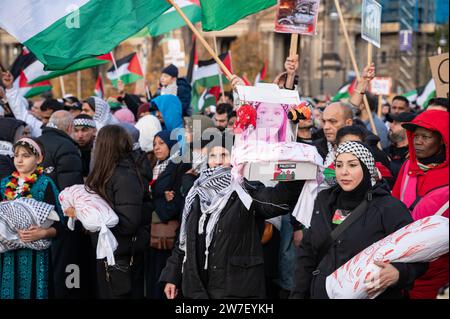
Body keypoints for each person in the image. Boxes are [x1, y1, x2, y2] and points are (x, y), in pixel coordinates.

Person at [160, 136, 304, 299]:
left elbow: (279, 200)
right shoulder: (195, 193)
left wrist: (293, 170)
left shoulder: (246, 190)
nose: (218, 161)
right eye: (213, 156)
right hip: (198, 288)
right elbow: (184, 241)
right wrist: (172, 276)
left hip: (236, 288)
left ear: (235, 159)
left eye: (224, 155)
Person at [291, 141, 428, 299]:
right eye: (339, 165)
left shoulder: (388, 207)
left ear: (366, 168)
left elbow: (419, 254)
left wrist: (399, 272)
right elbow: (307, 254)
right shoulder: (324, 201)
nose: (344, 172)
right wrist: (297, 295)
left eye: (352, 165)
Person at [85, 125, 148, 299]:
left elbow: (129, 222)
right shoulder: (105, 173)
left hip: (121, 252)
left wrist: (100, 223)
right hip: (108, 249)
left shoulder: (124, 175)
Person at [392, 110, 449, 299]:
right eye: (416, 136)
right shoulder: (408, 167)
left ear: (442, 139)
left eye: (426, 136)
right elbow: (393, 204)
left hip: (437, 274)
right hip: (400, 267)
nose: (418, 141)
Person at [0, 137, 64, 299]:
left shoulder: (44, 184)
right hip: (6, 254)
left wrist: (42, 233)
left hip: (36, 256)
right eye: (16, 155)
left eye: (26, 155)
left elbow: (60, 224)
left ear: (39, 158)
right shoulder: (4, 184)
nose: (19, 160)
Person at [147, 130, 190, 299]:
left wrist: (153, 203)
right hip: (154, 234)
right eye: (154, 144)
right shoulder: (154, 166)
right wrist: (158, 197)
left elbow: (172, 206)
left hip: (168, 235)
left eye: (161, 143)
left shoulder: (177, 167)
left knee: (165, 276)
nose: (156, 148)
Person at [349, 64, 390, 149]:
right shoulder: (353, 121)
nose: (356, 104)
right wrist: (363, 81)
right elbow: (351, 107)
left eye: (359, 101)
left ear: (363, 105)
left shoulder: (378, 127)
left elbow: (382, 150)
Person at [385, 112, 416, 179]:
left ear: (406, 128)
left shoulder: (413, 154)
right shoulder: (387, 150)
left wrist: (391, 165)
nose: (391, 126)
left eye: (396, 123)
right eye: (392, 122)